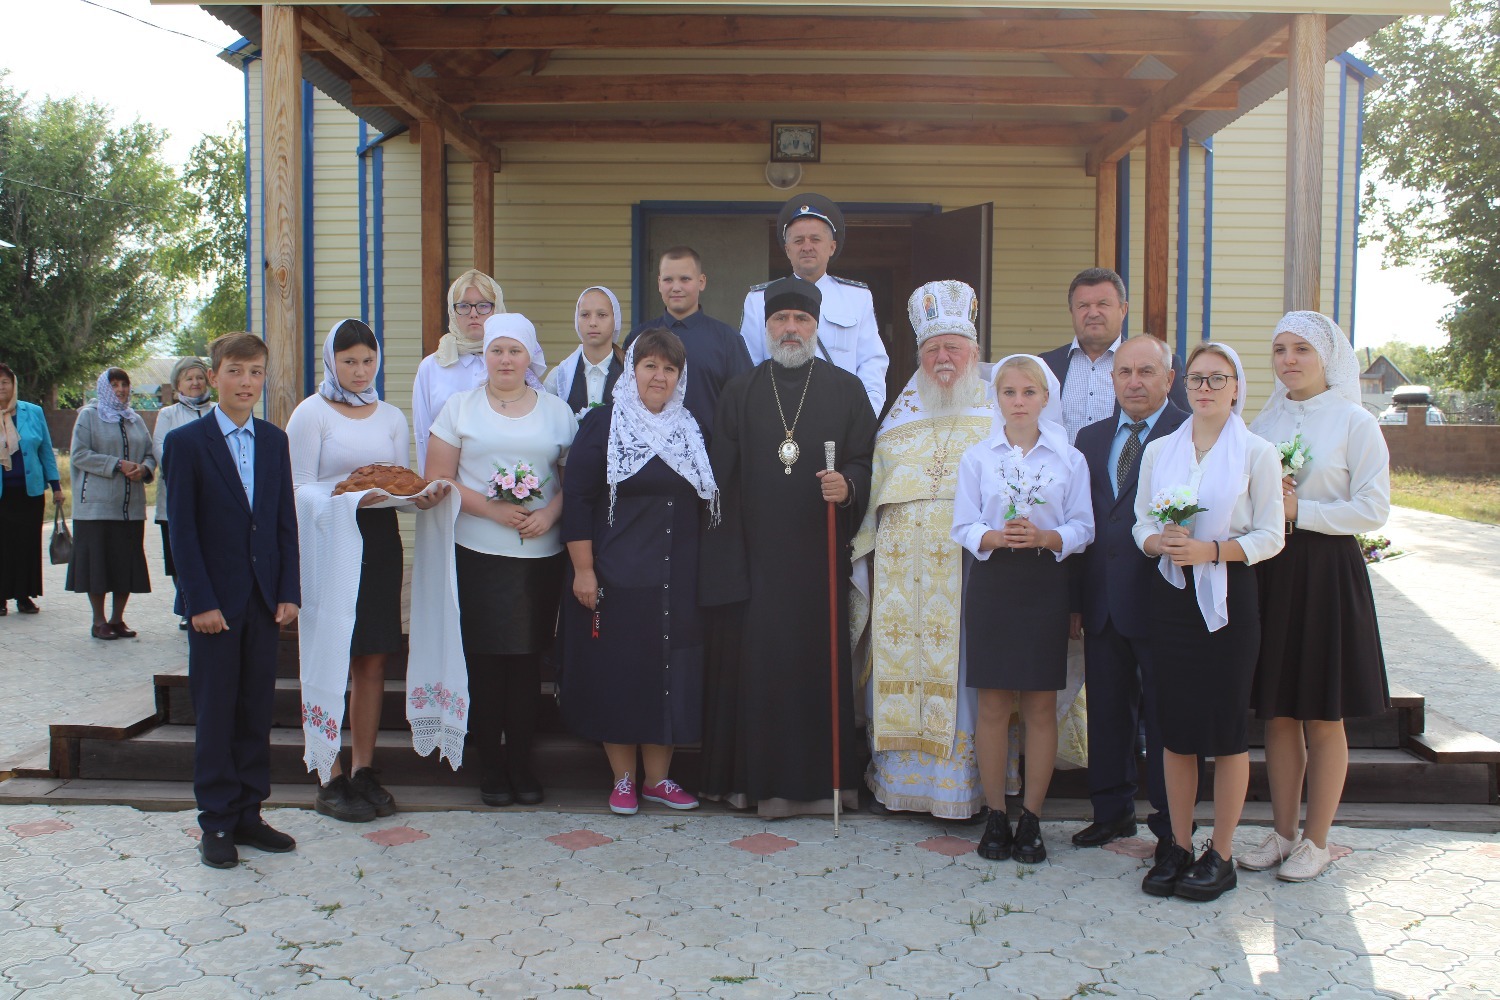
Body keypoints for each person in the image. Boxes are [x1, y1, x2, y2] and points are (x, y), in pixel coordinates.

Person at [700, 276, 877, 817]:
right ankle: (756, 786)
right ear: (766, 327)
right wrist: (730, 564)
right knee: (760, 674)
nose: (791, 329)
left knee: (815, 672)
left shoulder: (847, 389)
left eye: (801, 319)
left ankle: (823, 787)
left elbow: (867, 460)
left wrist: (848, 484)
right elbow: (720, 483)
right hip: (756, 565)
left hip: (819, 563)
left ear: (816, 326)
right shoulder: (740, 391)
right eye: (781, 319)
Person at [1132, 342, 1283, 902]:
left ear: (1236, 387)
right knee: (1175, 729)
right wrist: (1160, 543)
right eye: (1196, 378)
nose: (1205, 388)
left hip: (1228, 597)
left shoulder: (1257, 453)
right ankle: (1177, 844)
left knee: (1224, 730)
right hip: (1172, 596)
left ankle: (1220, 852)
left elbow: (1271, 535)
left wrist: (1212, 551)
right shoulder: (1161, 450)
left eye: (1218, 378)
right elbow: (1141, 522)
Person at [1244, 311, 1391, 882]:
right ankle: (1282, 834)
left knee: (1323, 713)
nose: (1288, 359)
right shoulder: (1265, 421)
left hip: (1327, 570)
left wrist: (1297, 509)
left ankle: (1318, 840)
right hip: (1273, 570)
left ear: (1327, 356)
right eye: (1280, 349)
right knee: (1279, 711)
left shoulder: (1356, 422)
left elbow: (1373, 508)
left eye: (1301, 348)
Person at [288, 320, 450, 823]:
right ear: (331, 362)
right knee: (330, 655)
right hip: (327, 543)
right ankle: (327, 773)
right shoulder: (310, 414)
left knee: (373, 658)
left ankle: (362, 768)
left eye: (368, 360)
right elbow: (297, 489)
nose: (360, 371)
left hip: (378, 543)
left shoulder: (391, 416)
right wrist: (349, 500)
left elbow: (395, 484)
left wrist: (420, 499)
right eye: (349, 361)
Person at [559, 329, 718, 814]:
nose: (659, 376)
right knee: (621, 674)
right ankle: (623, 779)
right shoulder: (603, 424)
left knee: (669, 675)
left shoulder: (691, 427)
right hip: (617, 576)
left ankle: (658, 780)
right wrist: (583, 570)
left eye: (669, 369)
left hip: (676, 579)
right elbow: (578, 500)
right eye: (650, 366)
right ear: (632, 371)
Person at [425, 313, 577, 807]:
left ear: (530, 356)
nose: (505, 360)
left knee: (527, 662)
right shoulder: (459, 408)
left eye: (515, 351)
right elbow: (438, 477)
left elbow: (574, 480)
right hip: (477, 552)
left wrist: (550, 513)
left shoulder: (557, 412)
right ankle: (491, 766)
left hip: (539, 556)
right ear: (484, 355)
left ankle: (522, 765)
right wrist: (493, 510)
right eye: (496, 350)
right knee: (486, 661)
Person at [852, 281, 990, 820]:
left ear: (974, 352)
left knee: (963, 675)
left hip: (967, 576)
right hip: (899, 582)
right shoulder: (898, 420)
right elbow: (873, 503)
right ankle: (900, 783)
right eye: (932, 349)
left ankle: (963, 788)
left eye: (953, 347)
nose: (943, 358)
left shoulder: (996, 415)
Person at [163, 332, 300, 869]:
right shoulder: (187, 443)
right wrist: (198, 600)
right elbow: (182, 531)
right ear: (214, 375)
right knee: (217, 710)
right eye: (236, 371)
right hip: (214, 605)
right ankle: (216, 820)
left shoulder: (273, 441)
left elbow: (283, 520)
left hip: (263, 600)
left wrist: (288, 590)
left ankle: (249, 813)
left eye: (256, 372)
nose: (247, 382)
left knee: (255, 709)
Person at [952, 355, 1094, 863]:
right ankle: (996, 814)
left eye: (1028, 392)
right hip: (994, 582)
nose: (1018, 402)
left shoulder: (1068, 459)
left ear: (1045, 398)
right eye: (1009, 392)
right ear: (997, 399)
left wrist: (1045, 537)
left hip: (1043, 582)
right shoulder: (978, 457)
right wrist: (995, 536)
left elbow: (1083, 526)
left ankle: (1031, 817)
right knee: (993, 703)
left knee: (1038, 704)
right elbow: (963, 525)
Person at [1069, 335, 1191, 859]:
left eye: (1146, 372)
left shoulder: (1189, 433)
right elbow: (1084, 520)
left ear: (1169, 378)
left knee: (1165, 718)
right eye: (1124, 372)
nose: (1134, 382)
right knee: (1107, 711)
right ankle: (1111, 812)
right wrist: (1076, 600)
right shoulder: (1091, 438)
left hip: (1165, 599)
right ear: (1112, 379)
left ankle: (1169, 824)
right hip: (1103, 599)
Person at [739, 194, 889, 415]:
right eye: (798, 241)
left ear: (832, 247)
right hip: (779, 416)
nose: (807, 247)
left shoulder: (857, 298)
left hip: (841, 415)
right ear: (787, 249)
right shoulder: (758, 299)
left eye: (815, 239)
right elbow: (749, 365)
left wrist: (864, 415)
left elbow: (871, 363)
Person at [1039, 268, 1188, 442]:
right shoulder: (1046, 365)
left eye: (1103, 304)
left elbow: (1182, 427)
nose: (1093, 313)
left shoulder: (1160, 364)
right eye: (1083, 306)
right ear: (1072, 311)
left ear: (1123, 309)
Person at [624, 246, 753, 439]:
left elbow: (744, 405)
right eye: (668, 280)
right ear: (659, 283)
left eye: (685, 279)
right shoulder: (638, 338)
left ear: (701, 282)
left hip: (710, 452)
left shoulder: (727, 340)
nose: (676, 287)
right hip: (648, 449)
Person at [67, 368, 156, 640]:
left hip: (129, 509)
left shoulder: (134, 419)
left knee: (124, 565)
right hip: (95, 509)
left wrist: (144, 468)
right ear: (104, 388)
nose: (120, 390)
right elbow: (79, 454)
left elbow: (150, 453)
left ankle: (117, 619)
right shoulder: (89, 416)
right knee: (98, 566)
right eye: (114, 385)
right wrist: (116, 464)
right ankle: (99, 621)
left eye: (124, 384)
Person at [412, 269, 508, 474]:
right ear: (452, 311)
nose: (473, 313)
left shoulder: (510, 363)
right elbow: (423, 433)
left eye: (483, 305)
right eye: (463, 306)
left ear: (497, 309)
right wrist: (431, 484)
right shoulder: (433, 366)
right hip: (447, 480)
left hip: (501, 478)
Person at [152, 357, 215, 630]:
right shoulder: (168, 415)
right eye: (189, 378)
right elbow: (160, 449)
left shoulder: (216, 410)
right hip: (178, 493)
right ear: (178, 384)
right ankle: (188, 605)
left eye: (199, 377)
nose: (195, 383)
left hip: (212, 496)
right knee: (180, 553)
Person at [0, 362, 63, 615]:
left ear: (13, 384)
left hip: (29, 492)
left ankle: (24, 596)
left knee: (27, 544)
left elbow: (45, 450)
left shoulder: (33, 412)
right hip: (2, 495)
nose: (1, 387)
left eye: (4, 382)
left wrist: (56, 486)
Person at [544, 286, 625, 416]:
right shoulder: (558, 378)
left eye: (602, 315)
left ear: (616, 320)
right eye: (585, 315)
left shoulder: (630, 374)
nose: (592, 322)